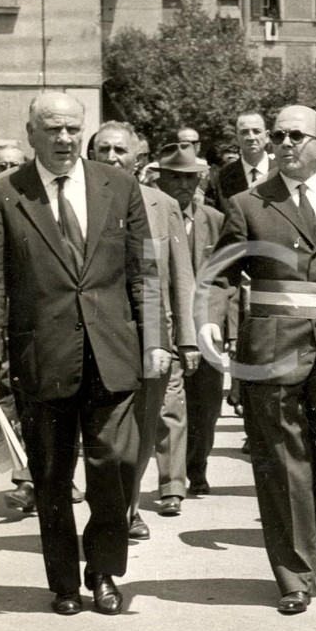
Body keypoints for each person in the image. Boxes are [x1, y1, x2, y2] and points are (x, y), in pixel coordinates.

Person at [0, 92, 167, 616]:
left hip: (113, 352)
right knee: (52, 478)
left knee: (115, 465)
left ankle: (103, 570)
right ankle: (63, 582)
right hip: (43, 357)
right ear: (31, 133)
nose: (64, 139)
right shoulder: (3, 197)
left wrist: (155, 341)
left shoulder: (120, 186)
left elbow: (144, 271)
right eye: (52, 129)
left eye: (73, 129)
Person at [200, 104, 316, 615]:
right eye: (278, 135)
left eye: (297, 135)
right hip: (272, 352)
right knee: (282, 463)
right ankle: (295, 575)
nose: (285, 144)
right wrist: (213, 318)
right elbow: (218, 274)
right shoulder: (249, 204)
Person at [92, 122, 200, 537]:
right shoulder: (78, 201)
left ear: (140, 159)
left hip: (153, 336)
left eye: (122, 150)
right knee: (105, 434)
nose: (113, 157)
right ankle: (112, 508)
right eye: (105, 149)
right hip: (100, 334)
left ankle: (128, 506)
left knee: (143, 425)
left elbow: (181, 275)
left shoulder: (162, 204)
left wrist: (187, 339)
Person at [155, 142, 228, 502]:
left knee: (207, 405)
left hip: (207, 327)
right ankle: (173, 480)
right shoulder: (150, 215)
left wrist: (221, 326)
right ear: (160, 179)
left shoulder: (214, 220)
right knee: (171, 404)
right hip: (166, 322)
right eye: (175, 178)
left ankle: (196, 467)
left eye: (191, 179)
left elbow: (225, 279)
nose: (184, 186)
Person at [207, 111, 274, 216]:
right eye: (244, 132)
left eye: (256, 131)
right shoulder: (220, 179)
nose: (251, 137)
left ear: (267, 136)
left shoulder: (283, 172)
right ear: (237, 138)